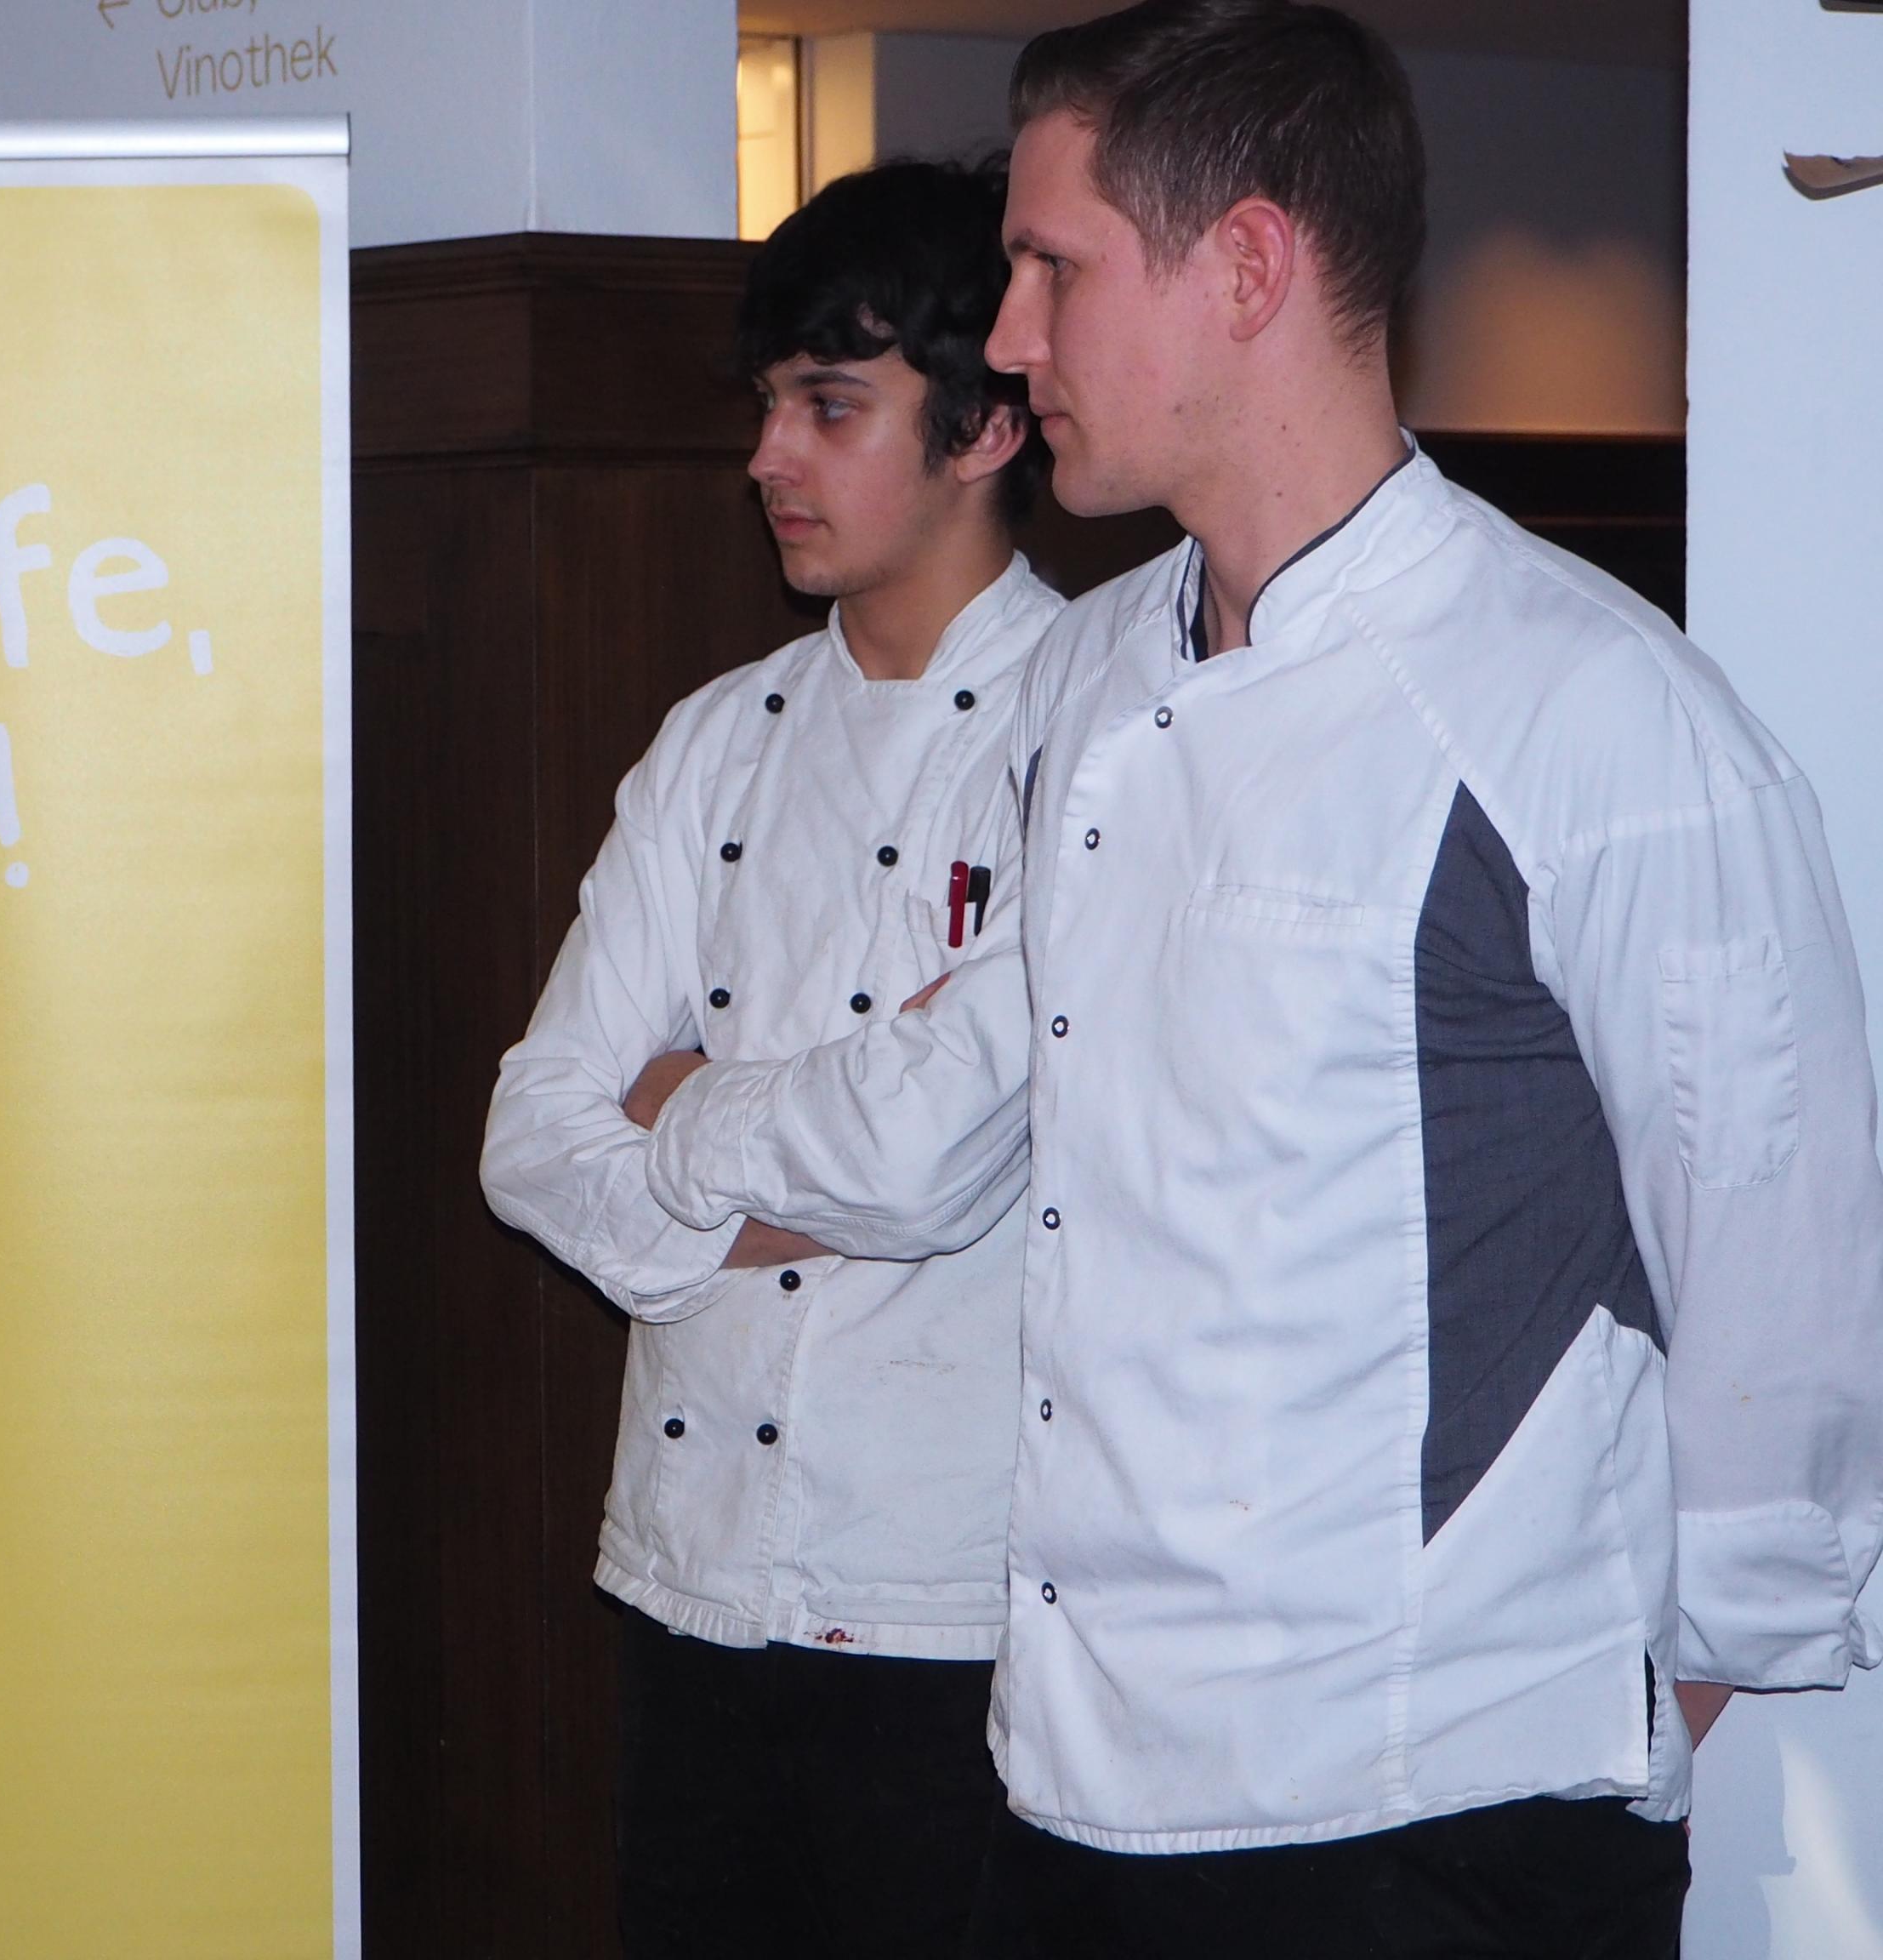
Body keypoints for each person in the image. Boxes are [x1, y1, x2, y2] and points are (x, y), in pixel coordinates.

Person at [639, 5, 1883, 1954]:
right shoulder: (1083, 675)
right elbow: (993, 1117)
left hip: (1424, 1815)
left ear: (1243, 266)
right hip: (1067, 1784)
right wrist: (676, 1136)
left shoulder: (1589, 710)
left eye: (1051, 269)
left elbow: (1778, 1266)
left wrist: (1635, 1709)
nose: (1013, 337)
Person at [478, 159, 1055, 1957]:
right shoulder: (715, 738)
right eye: (766, 406)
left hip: (954, 1604)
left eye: (828, 406)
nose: (765, 459)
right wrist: (805, 1167)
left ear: (984, 427)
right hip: (686, 1571)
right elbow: (529, 1134)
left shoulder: (1096, 728)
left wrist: (677, 1113)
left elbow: (922, 1160)